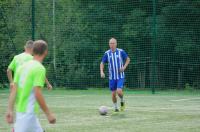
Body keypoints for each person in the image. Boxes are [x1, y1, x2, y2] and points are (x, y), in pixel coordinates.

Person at [6, 40, 56, 132]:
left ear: (33, 51)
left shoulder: (21, 68)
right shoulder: (39, 68)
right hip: (28, 113)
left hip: (22, 111)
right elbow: (37, 94)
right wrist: (48, 114)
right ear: (45, 52)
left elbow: (14, 91)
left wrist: (9, 110)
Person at [100, 38, 130, 112]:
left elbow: (128, 59)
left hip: (120, 76)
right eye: (110, 43)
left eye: (113, 43)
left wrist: (124, 67)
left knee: (119, 91)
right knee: (113, 94)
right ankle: (116, 108)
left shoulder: (121, 52)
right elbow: (102, 63)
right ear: (109, 44)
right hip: (112, 77)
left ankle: (122, 101)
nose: (112, 45)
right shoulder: (107, 53)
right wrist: (101, 71)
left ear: (116, 44)